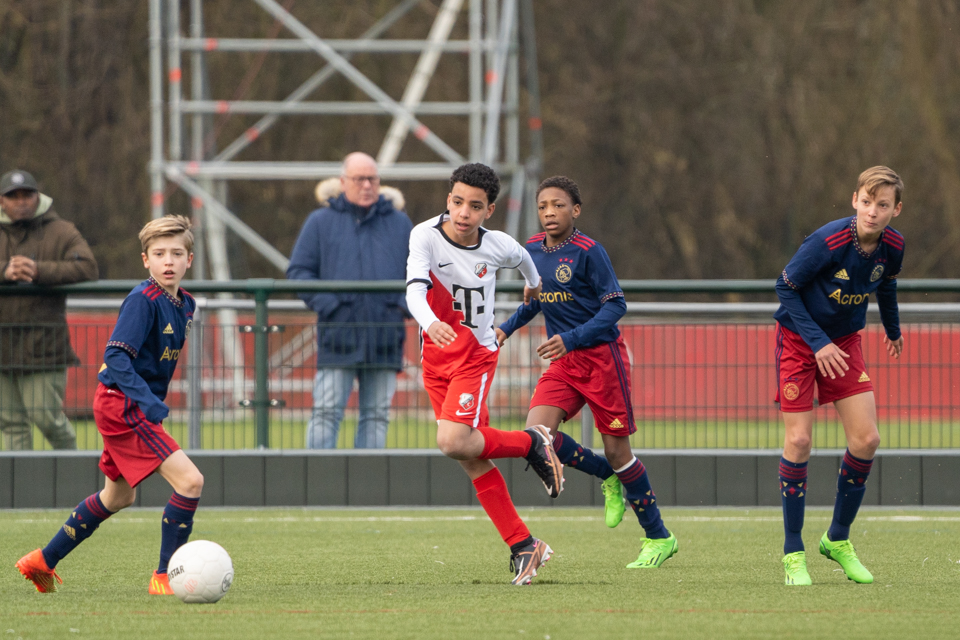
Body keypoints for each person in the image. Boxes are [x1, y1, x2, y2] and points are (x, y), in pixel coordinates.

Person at [16, 215, 204, 596]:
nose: (168, 260)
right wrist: (146, 401)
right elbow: (116, 359)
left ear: (190, 260)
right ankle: (164, 576)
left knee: (118, 496)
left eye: (176, 253)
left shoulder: (186, 304)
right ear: (145, 260)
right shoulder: (142, 300)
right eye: (159, 253)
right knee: (190, 481)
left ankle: (42, 560)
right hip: (123, 404)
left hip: (127, 402)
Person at [497, 176, 679, 569]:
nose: (549, 212)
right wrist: (504, 329)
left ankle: (659, 537)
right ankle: (608, 477)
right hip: (565, 363)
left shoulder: (589, 252)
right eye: (543, 205)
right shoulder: (530, 249)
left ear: (575, 210)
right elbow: (534, 303)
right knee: (538, 436)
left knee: (618, 451)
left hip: (601, 360)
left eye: (558, 205)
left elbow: (615, 306)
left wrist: (572, 338)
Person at [405, 162, 564, 585]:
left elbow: (526, 259)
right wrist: (428, 322)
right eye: (457, 202)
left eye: (474, 206)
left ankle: (533, 441)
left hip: (475, 356)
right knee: (471, 457)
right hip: (435, 359)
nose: (463, 213)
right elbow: (415, 289)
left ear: (489, 210)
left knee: (452, 441)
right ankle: (524, 545)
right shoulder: (424, 235)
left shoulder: (497, 245)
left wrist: (533, 284)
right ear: (448, 200)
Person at [774, 166, 905, 586]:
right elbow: (785, 287)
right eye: (866, 202)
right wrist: (817, 343)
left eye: (882, 204)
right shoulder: (827, 241)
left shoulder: (894, 247)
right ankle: (793, 551)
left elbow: (885, 284)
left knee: (867, 439)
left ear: (895, 210)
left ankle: (837, 540)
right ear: (854, 200)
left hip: (845, 343)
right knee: (799, 440)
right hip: (799, 340)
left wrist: (893, 328)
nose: (872, 211)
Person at [287, 152, 413, 449]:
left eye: (372, 179)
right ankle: (316, 485)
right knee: (326, 412)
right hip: (338, 336)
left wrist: (401, 305)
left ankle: (366, 489)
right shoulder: (320, 222)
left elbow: (422, 274)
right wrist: (331, 304)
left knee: (377, 415)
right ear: (343, 182)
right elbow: (299, 271)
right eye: (360, 179)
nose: (367, 185)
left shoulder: (400, 223)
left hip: (385, 335)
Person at [0, 169, 98, 450]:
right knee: (11, 425)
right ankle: (22, 491)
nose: (21, 201)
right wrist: (5, 271)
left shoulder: (61, 230)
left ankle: (76, 478)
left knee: (47, 419)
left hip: (43, 346)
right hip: (2, 345)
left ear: (38, 196)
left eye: (27, 195)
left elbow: (88, 267)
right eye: (13, 196)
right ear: (1, 202)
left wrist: (39, 270)